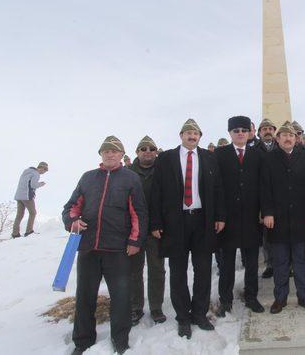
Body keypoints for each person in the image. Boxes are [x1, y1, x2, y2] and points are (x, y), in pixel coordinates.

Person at [62, 136, 147, 355]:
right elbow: (72, 206)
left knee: (120, 296)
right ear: (101, 154)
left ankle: (120, 339)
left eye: (114, 151)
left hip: (117, 248)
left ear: (121, 155)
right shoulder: (88, 178)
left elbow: (138, 213)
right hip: (88, 247)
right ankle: (82, 341)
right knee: (85, 296)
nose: (110, 154)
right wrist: (72, 221)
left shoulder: (130, 178)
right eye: (106, 151)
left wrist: (135, 240)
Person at [150, 119, 226, 339]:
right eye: (188, 133)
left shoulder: (209, 158)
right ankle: (183, 317)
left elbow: (218, 189)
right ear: (181, 135)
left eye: (196, 133)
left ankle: (199, 314)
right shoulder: (166, 159)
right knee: (178, 272)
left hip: (203, 220)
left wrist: (220, 216)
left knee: (203, 270)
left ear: (200, 137)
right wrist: (156, 223)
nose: (192, 136)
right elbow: (156, 192)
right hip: (175, 222)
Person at [261, 122, 305, 314]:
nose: (287, 138)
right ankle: (280, 298)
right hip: (277, 220)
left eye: (291, 135)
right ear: (277, 139)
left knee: (301, 261)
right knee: (280, 262)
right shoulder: (269, 159)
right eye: (284, 135)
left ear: (296, 138)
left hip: (300, 218)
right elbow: (265, 188)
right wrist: (267, 212)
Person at [215, 116, 265, 317]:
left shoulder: (258, 155)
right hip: (227, 218)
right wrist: (218, 215)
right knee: (226, 263)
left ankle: (251, 296)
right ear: (230, 133)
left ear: (250, 132)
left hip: (252, 217)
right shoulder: (219, 154)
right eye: (236, 130)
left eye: (244, 129)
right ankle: (225, 300)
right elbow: (216, 187)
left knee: (252, 262)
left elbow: (264, 186)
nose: (240, 133)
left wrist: (264, 210)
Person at [128, 136, 167, 325]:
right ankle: (136, 306)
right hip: (133, 230)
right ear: (137, 152)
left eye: (151, 148)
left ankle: (156, 306)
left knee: (157, 269)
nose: (148, 152)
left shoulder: (163, 170)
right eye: (143, 149)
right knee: (134, 270)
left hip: (156, 230)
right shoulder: (127, 173)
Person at [256, 118, 277, 278]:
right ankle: (270, 264)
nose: (268, 131)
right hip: (262, 197)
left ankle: (287, 264)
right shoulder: (254, 150)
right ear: (259, 133)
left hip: (282, 197)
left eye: (270, 128)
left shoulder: (282, 146)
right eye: (264, 129)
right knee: (267, 235)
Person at [12, 161, 48, 238]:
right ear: (42, 168)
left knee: (19, 215)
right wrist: (41, 184)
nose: (43, 173)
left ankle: (15, 234)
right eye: (44, 171)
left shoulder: (26, 171)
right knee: (33, 213)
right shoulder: (36, 174)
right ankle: (29, 231)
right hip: (27, 196)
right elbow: (33, 185)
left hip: (19, 196)